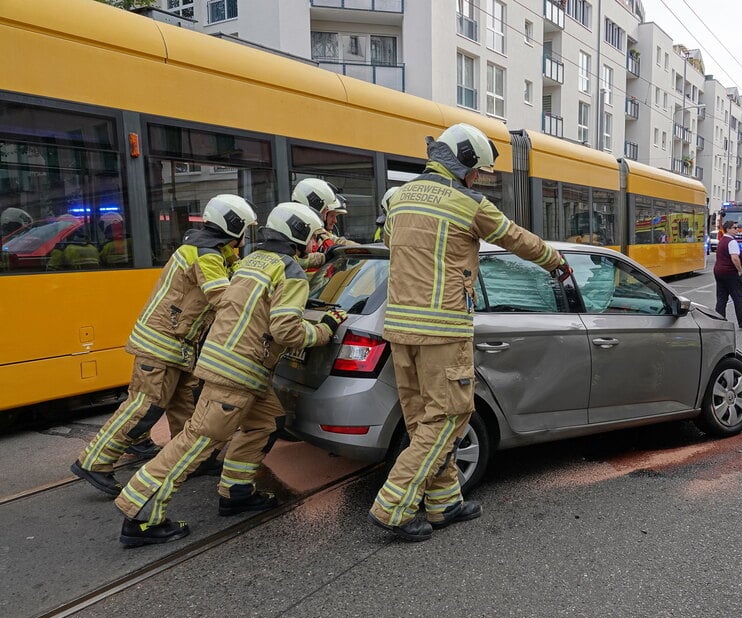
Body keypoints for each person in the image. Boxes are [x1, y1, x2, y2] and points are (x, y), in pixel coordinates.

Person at [368, 122, 567, 542]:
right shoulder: (468, 203)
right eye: (478, 171)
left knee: (424, 418)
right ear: (465, 163)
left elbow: (393, 244)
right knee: (449, 419)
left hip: (400, 328)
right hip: (442, 329)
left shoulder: (400, 199)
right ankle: (393, 505)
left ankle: (443, 502)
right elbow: (514, 238)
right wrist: (554, 260)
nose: (478, 179)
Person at [114, 202, 348, 547]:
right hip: (238, 371)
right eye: (314, 238)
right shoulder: (290, 274)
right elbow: (287, 331)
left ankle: (236, 492)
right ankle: (140, 513)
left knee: (265, 422)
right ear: (299, 235)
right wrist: (325, 329)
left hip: (227, 363)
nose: (315, 245)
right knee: (198, 441)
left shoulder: (253, 260)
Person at [71, 195, 256, 496]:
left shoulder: (207, 249)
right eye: (245, 229)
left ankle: (194, 460)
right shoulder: (206, 254)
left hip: (177, 346)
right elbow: (222, 298)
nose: (246, 237)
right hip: (162, 345)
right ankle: (94, 461)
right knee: (144, 406)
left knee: (187, 407)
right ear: (233, 227)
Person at [291, 178, 357, 252]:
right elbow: (296, 259)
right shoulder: (295, 231)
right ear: (314, 205)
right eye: (324, 208)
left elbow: (337, 241)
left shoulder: (312, 230)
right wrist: (324, 257)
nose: (325, 215)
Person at [714, 220, 742, 330]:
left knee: (721, 298)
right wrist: (739, 270)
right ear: (728, 229)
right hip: (730, 273)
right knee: (738, 298)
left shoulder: (722, 240)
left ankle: (719, 321)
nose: (737, 230)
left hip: (719, 272)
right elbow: (734, 257)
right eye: (735, 227)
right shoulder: (731, 241)